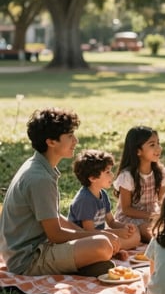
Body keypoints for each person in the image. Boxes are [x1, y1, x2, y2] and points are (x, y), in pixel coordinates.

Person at [0, 107, 121, 277]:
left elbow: (54, 216)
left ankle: (81, 265)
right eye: (70, 136)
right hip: (28, 260)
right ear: (51, 142)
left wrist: (88, 236)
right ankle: (80, 265)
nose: (76, 141)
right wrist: (96, 235)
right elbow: (55, 234)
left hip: (35, 249)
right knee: (102, 244)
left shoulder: (39, 166)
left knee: (101, 241)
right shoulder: (39, 178)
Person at [68, 149, 141, 257]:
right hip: (85, 241)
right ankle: (111, 250)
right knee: (123, 240)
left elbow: (111, 221)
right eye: (107, 172)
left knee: (136, 235)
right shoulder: (85, 200)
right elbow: (89, 232)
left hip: (101, 236)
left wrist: (125, 227)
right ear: (92, 178)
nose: (112, 175)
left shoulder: (102, 194)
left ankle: (112, 250)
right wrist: (117, 233)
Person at [113, 125, 165, 243]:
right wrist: (152, 216)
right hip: (131, 218)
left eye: (158, 143)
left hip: (153, 215)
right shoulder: (127, 176)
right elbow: (126, 209)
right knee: (147, 231)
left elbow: (163, 200)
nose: (158, 148)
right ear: (137, 151)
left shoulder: (160, 173)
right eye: (152, 145)